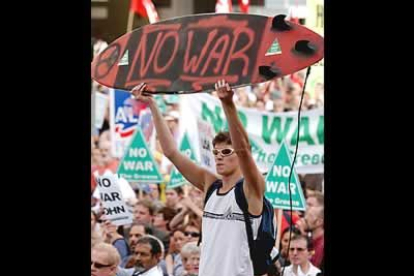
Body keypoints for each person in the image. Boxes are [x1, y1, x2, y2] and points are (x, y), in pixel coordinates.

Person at [131, 80, 266, 276]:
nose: (218, 156)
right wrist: (152, 104)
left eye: (226, 151)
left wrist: (228, 104)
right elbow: (171, 151)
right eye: (216, 152)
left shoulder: (251, 188)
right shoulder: (210, 183)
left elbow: (243, 150)